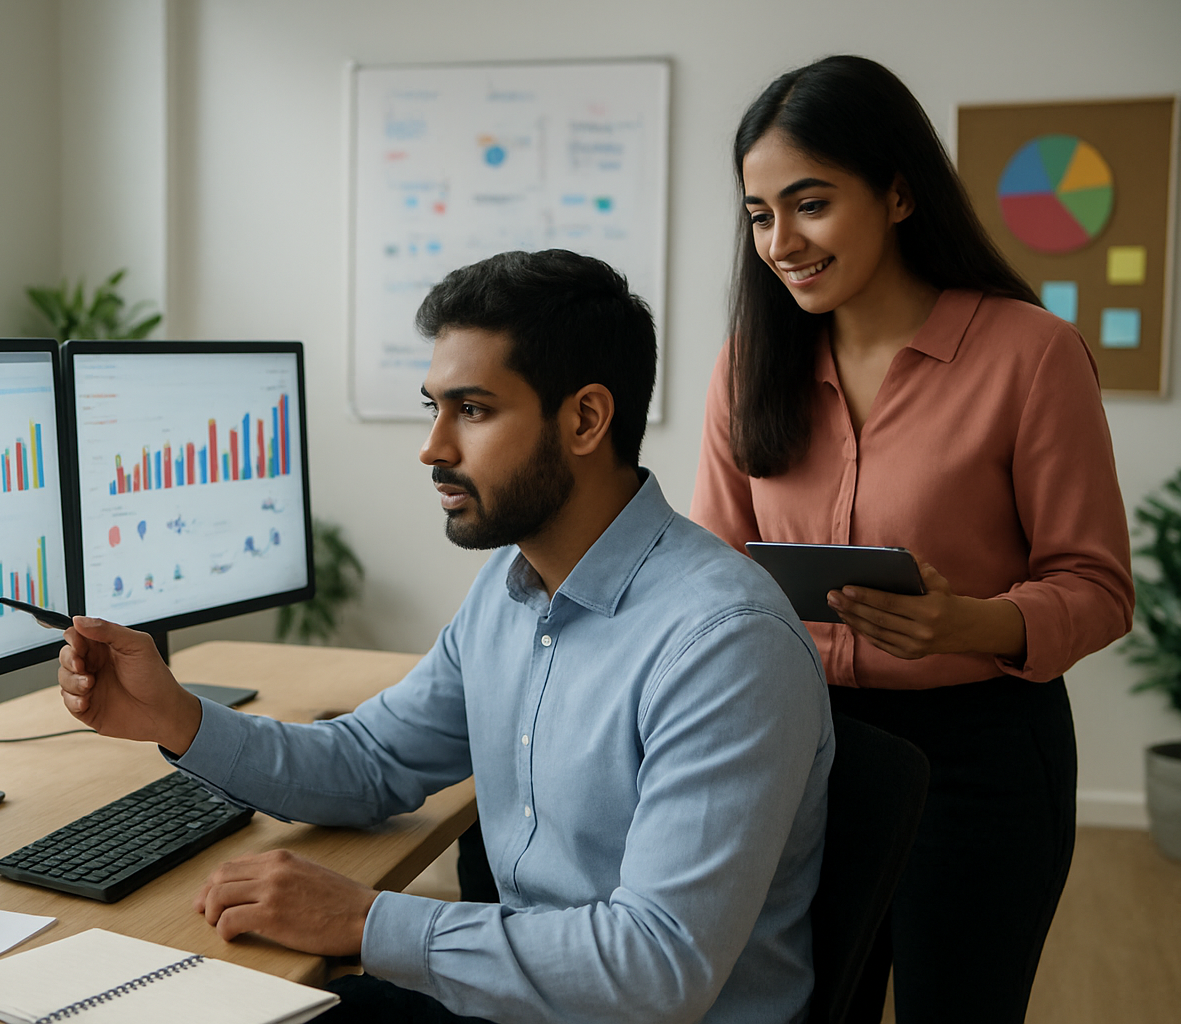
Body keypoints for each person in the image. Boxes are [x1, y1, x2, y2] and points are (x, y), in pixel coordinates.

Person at [58, 249, 833, 1024]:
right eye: (435, 406)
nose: (433, 448)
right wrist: (177, 718)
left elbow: (656, 968)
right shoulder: (510, 589)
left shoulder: (725, 645)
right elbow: (371, 761)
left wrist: (365, 920)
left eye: (473, 410)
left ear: (586, 419)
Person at [692, 55, 1134, 1024]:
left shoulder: (1029, 353)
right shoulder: (748, 363)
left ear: (897, 191)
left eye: (809, 203)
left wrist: (965, 621)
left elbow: (1097, 585)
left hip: (979, 763)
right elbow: (709, 572)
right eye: (760, 214)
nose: (781, 241)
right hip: (797, 746)